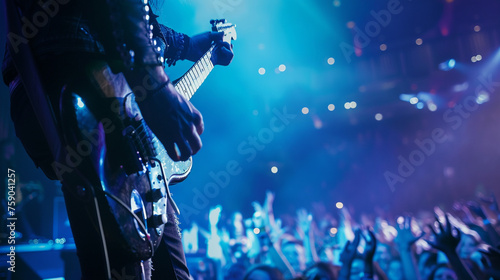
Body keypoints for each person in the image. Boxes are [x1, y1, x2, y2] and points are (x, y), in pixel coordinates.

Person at [2, 0, 233, 279]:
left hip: (58, 90)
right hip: (91, 88)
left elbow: (124, 16)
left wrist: (186, 45)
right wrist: (155, 86)